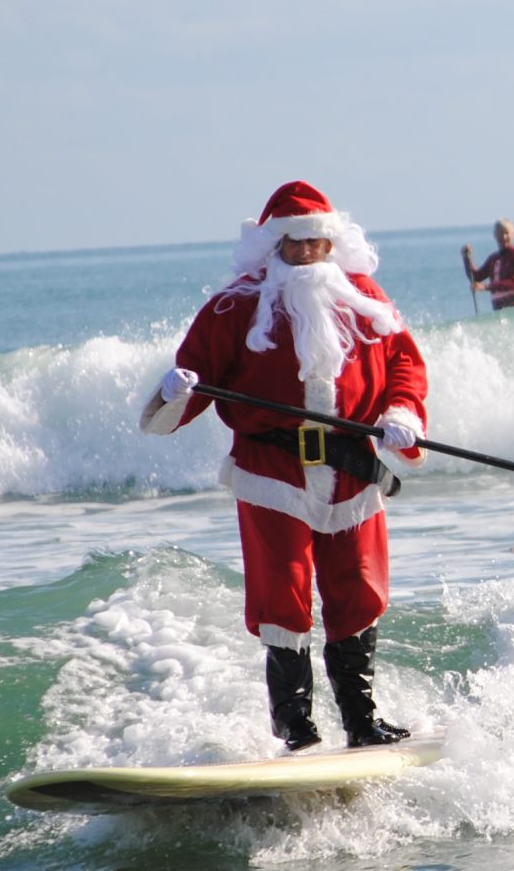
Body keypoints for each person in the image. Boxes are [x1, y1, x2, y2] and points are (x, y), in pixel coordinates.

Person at [139, 180, 429, 752]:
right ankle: (297, 728)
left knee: (359, 589)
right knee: (284, 594)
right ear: (274, 247)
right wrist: (175, 390)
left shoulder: (364, 298)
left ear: (332, 243)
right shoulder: (234, 307)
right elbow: (176, 402)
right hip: (272, 473)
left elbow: (404, 364)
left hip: (351, 470)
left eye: (316, 244)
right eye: (294, 245)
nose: (306, 255)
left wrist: (401, 412)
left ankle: (361, 718)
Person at [463, 219, 514, 310]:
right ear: (495, 235)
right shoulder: (493, 259)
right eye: (500, 233)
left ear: (513, 234)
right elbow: (475, 278)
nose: (504, 237)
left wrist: (486, 287)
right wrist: (466, 258)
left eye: (507, 233)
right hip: (498, 313)